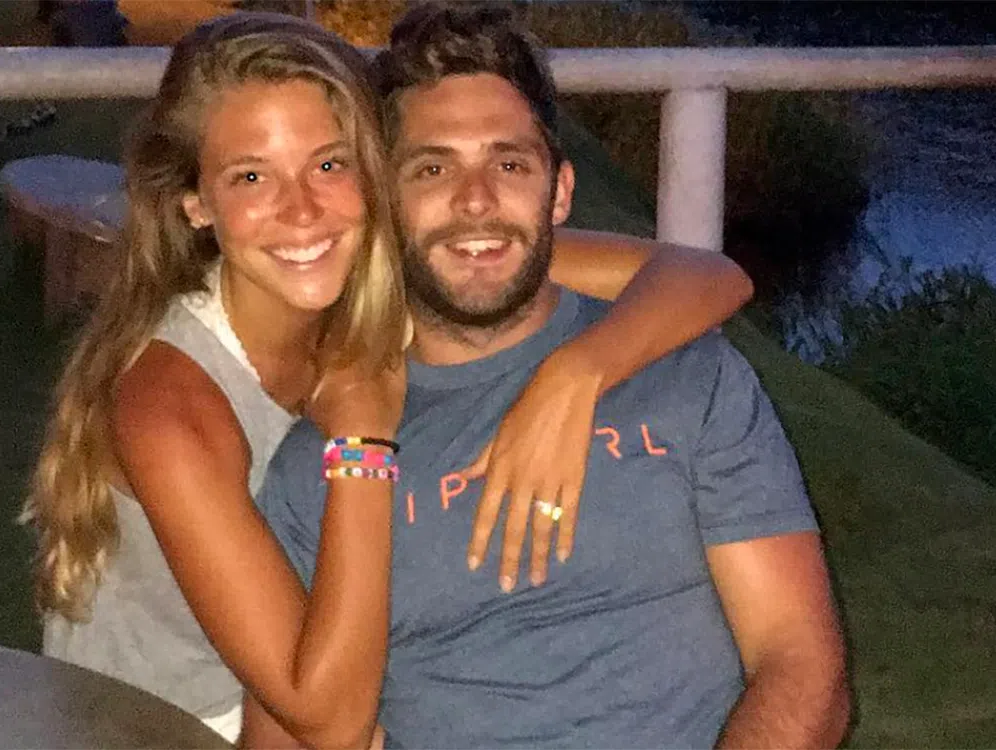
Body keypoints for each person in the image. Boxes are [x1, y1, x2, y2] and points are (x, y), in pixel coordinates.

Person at [20, 11, 753, 748]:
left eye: (329, 165)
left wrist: (574, 376)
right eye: (251, 176)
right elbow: (327, 719)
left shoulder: (388, 265)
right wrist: (361, 440)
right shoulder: (169, 405)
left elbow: (701, 275)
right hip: (171, 727)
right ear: (196, 204)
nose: (302, 211)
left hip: (330, 682)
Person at [257, 4, 850, 748]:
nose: (476, 200)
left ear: (560, 192)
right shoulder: (323, 465)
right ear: (384, 202)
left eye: (509, 164)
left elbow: (801, 666)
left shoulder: (688, 377)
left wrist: (575, 374)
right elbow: (288, 733)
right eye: (433, 168)